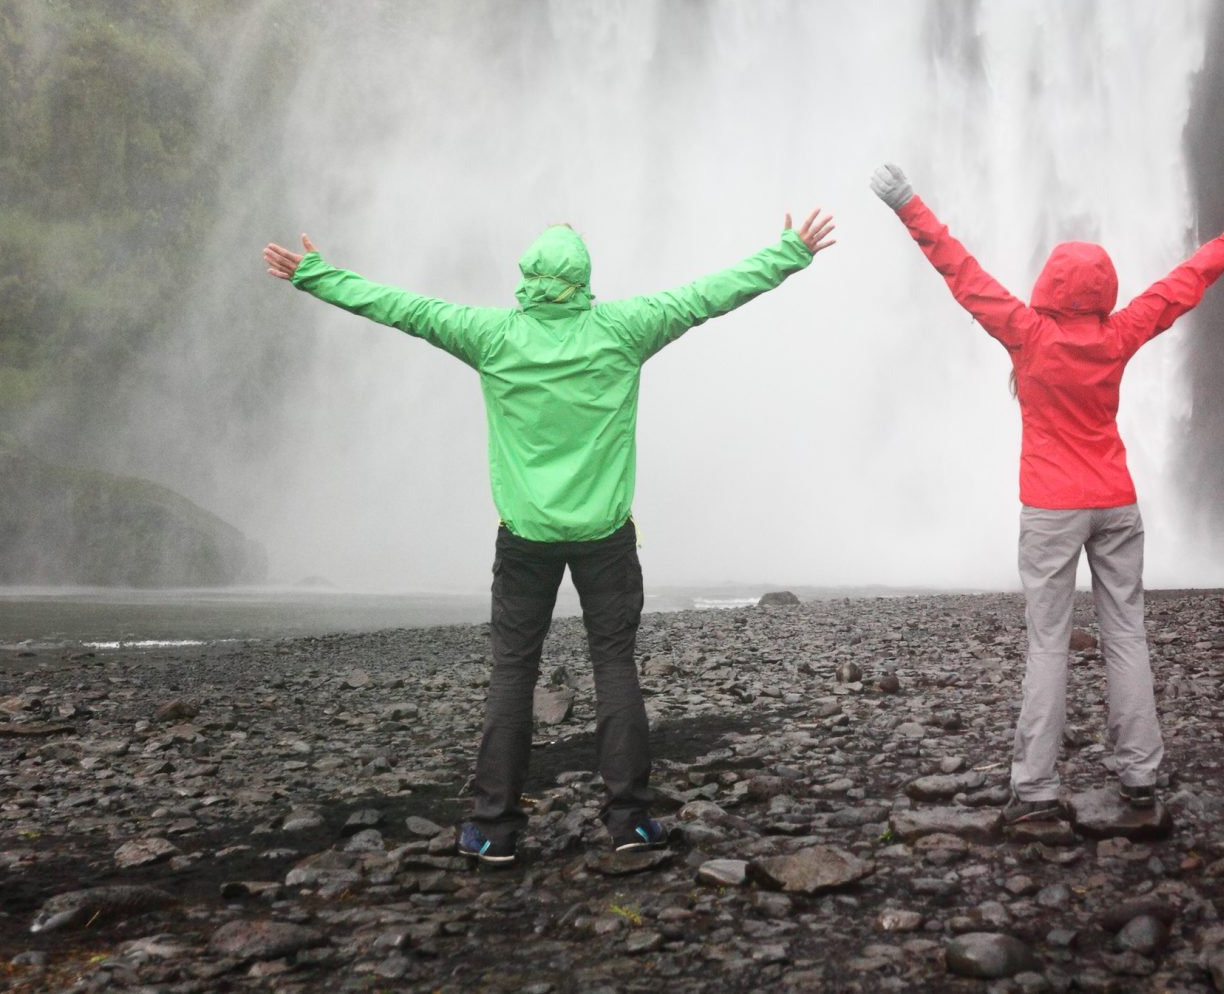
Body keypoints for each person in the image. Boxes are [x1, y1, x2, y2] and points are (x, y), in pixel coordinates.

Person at [262, 209, 837, 865]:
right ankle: (629, 823)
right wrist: (790, 251)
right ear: (585, 279)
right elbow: (711, 294)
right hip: (606, 539)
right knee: (614, 668)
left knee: (514, 674)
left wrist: (316, 275)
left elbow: (400, 307)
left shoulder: (490, 334)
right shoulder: (625, 327)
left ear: (529, 279)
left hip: (526, 541)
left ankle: (494, 830)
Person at [868, 164, 1224, 824]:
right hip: (1115, 502)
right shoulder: (1120, 333)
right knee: (1127, 636)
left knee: (1048, 643)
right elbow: (1184, 284)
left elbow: (961, 271)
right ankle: (1141, 779)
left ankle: (1036, 788)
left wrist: (906, 204)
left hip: (1050, 507)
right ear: (1103, 291)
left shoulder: (1027, 333)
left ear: (1048, 286)